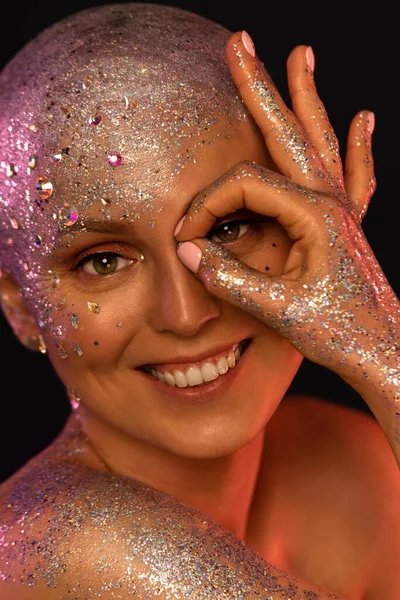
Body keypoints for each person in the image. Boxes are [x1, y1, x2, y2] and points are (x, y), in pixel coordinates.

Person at [0, 3, 398, 599]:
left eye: (228, 227)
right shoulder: (75, 542)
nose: (186, 314)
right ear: (23, 308)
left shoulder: (359, 456)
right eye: (103, 261)